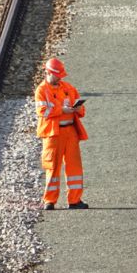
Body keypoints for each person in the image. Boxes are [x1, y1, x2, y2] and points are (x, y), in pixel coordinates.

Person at [34, 57, 89, 210]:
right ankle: (49, 201)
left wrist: (78, 109)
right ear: (48, 72)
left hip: (70, 131)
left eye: (61, 75)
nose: (59, 78)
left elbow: (82, 110)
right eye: (57, 75)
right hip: (53, 134)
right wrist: (61, 110)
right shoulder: (41, 91)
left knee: (75, 167)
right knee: (53, 167)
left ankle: (75, 200)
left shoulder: (68, 88)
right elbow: (42, 111)